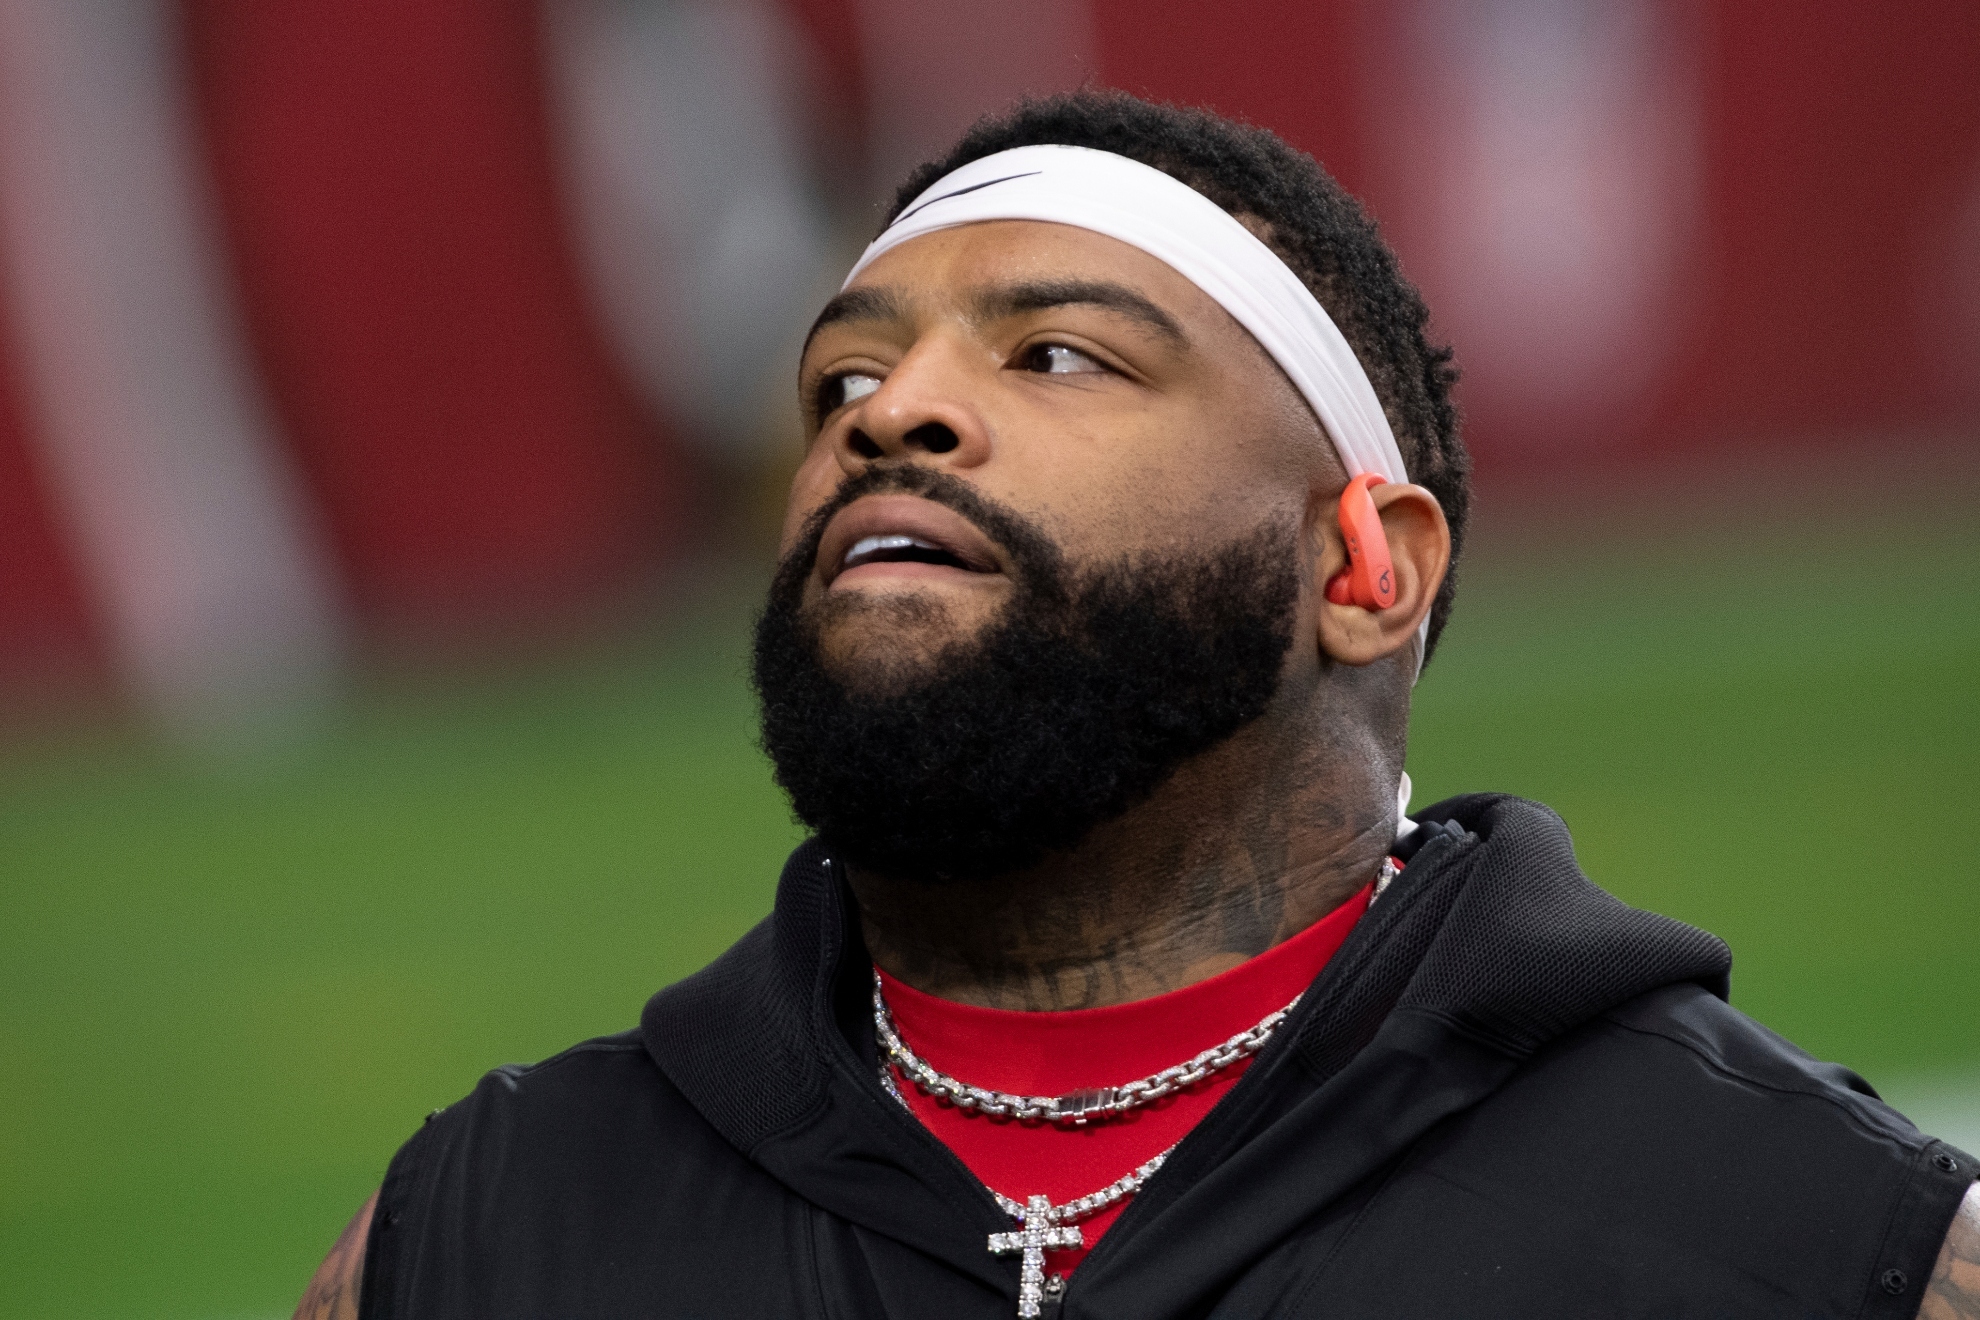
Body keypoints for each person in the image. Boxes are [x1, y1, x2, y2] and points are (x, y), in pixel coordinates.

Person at [296, 90, 1980, 1320]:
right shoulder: (474, 1242)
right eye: (845, 381)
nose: (899, 417)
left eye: (1058, 356)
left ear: (1362, 567)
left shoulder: (1823, 1250)